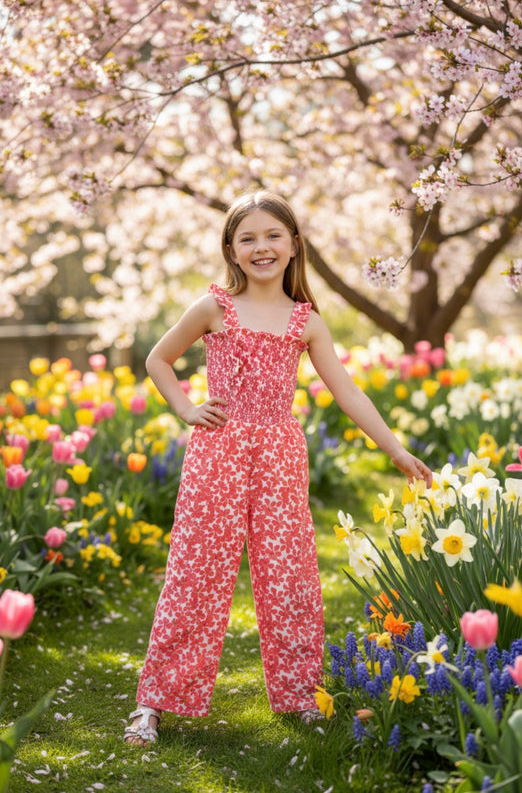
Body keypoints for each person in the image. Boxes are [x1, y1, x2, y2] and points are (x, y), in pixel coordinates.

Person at [124, 189, 432, 746]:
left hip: (280, 456)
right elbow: (158, 359)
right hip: (217, 452)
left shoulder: (305, 321)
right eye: (248, 238)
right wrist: (186, 408)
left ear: (294, 245)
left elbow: (347, 391)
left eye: (273, 236)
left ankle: (299, 693)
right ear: (232, 249)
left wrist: (394, 449)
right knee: (197, 570)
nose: (261, 246)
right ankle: (156, 700)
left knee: (288, 570)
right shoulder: (213, 306)